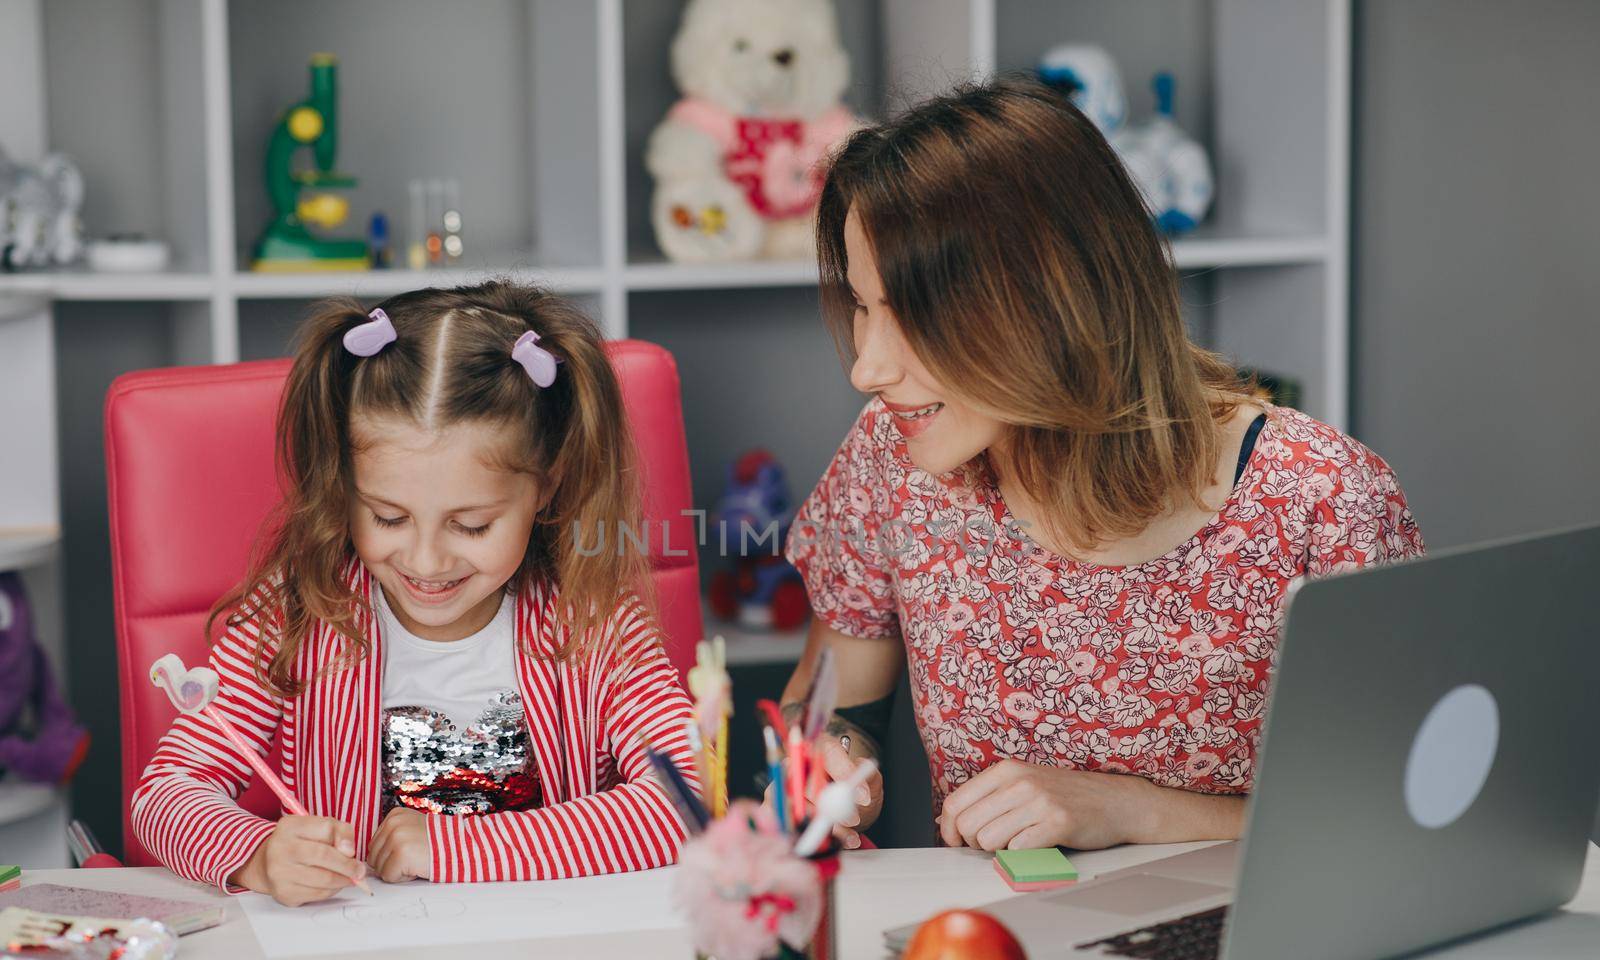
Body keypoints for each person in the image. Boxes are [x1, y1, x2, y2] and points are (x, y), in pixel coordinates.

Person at [782, 80, 1424, 852]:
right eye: (861, 305)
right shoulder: (893, 457)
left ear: (1056, 303)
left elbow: (1398, 813)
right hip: (995, 944)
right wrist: (824, 761)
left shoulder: (1324, 500)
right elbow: (832, 709)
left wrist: (1131, 811)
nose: (867, 367)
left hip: (1256, 946)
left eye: (913, 316)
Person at [133, 282, 698, 904]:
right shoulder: (300, 608)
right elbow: (165, 794)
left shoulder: (593, 615)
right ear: (343, 485)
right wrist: (258, 855)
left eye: (471, 525)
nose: (426, 561)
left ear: (547, 486)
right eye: (387, 517)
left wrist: (456, 848)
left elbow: (691, 797)